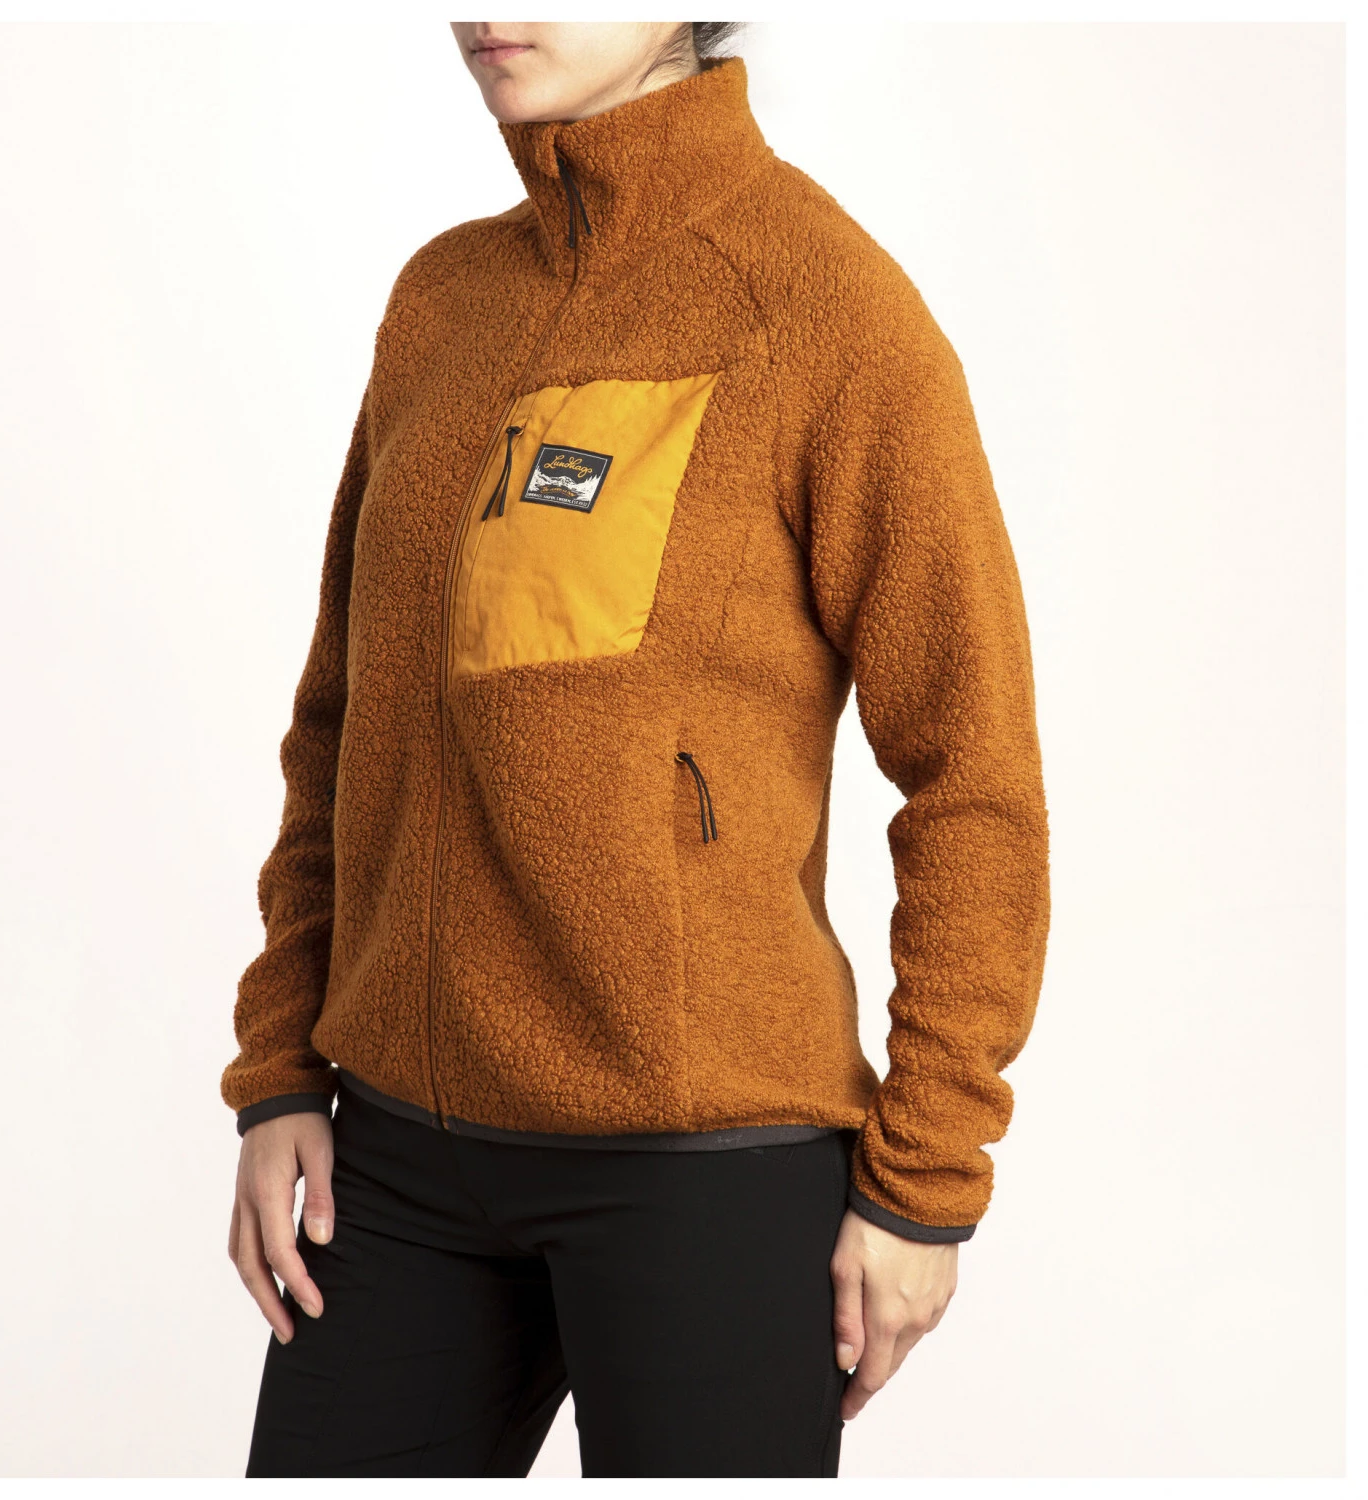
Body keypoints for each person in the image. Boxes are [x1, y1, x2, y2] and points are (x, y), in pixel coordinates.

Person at [223, 21, 1050, 1479]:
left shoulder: (824, 309)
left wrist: (928, 1177)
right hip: (398, 1163)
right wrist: (283, 1063)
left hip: (700, 1171)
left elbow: (972, 778)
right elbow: (341, 717)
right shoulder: (441, 300)